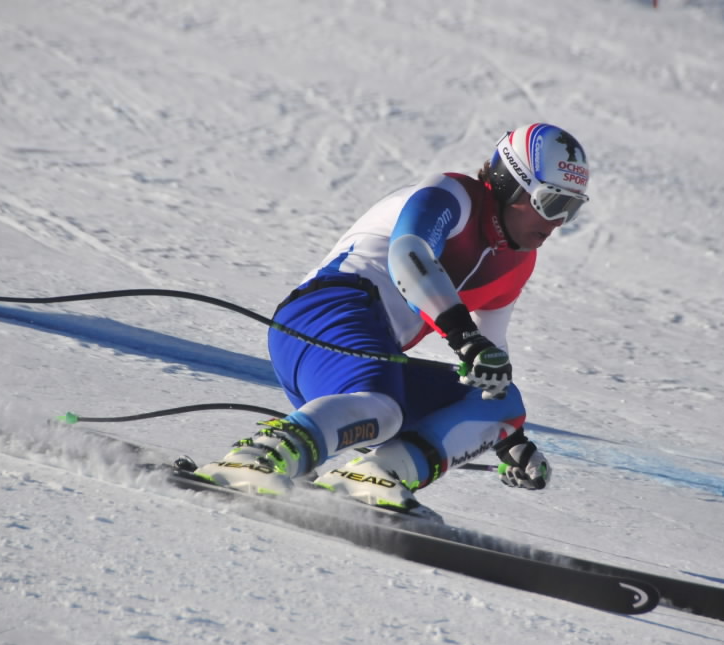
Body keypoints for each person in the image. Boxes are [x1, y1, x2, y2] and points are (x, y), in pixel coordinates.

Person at [195, 123, 590, 514]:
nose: (558, 222)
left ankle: (375, 476)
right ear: (510, 183)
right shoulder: (453, 196)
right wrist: (464, 338)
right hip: (325, 313)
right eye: (552, 203)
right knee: (383, 408)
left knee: (500, 404)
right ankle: (259, 460)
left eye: (571, 210)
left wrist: (506, 439)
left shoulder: (517, 262)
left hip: (366, 361)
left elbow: (491, 362)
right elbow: (409, 257)